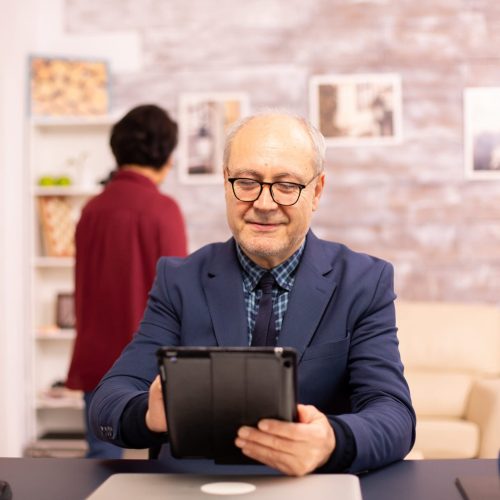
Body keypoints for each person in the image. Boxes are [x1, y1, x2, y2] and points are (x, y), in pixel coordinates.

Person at [90, 110, 415, 474]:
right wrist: (148, 415)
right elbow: (107, 403)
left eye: (287, 185)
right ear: (226, 182)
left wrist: (331, 441)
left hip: (311, 491)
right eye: (247, 181)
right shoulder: (178, 279)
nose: (264, 203)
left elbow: (394, 414)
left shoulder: (364, 282)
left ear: (317, 191)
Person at [66, 104, 188, 458]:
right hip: (146, 369)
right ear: (166, 154)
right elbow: (181, 297)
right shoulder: (162, 209)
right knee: (165, 473)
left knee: (100, 467)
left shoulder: (92, 209)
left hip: (95, 358)